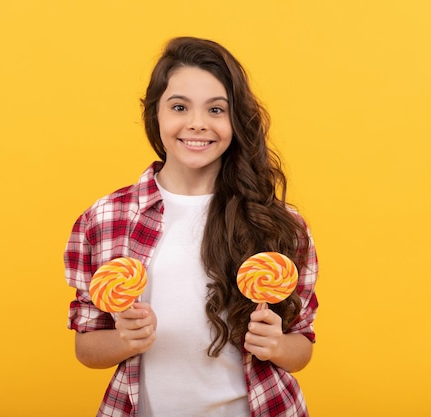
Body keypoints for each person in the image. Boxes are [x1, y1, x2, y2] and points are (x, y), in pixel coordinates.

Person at [64, 36, 319, 417]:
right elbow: (86, 349)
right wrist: (123, 339)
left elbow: (302, 346)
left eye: (216, 109)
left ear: (236, 119)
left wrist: (277, 345)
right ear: (156, 114)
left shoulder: (279, 223)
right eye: (179, 107)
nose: (197, 124)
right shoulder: (104, 218)